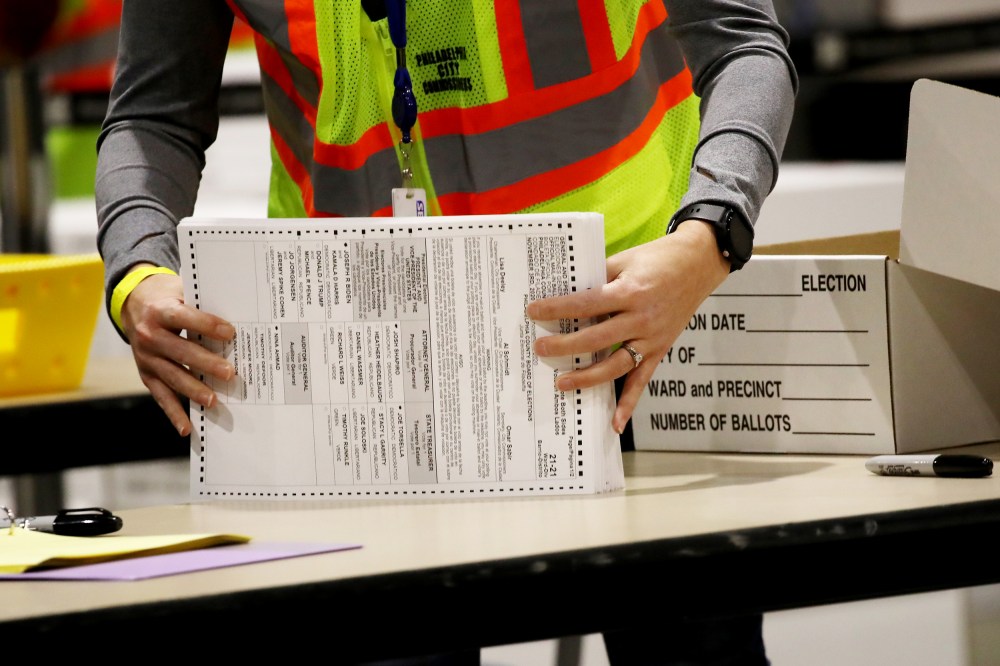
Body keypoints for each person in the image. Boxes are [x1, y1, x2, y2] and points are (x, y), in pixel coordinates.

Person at [95, 2, 797, 664]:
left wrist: (710, 233)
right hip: (361, 374)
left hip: (631, 335)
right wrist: (138, 275)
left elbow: (744, 43)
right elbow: (152, 117)